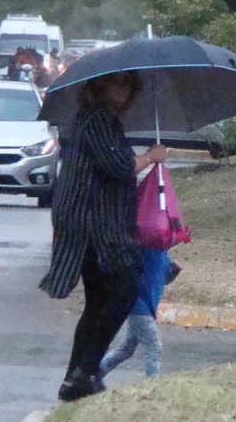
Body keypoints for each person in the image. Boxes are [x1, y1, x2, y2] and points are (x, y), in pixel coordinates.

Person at [38, 71, 168, 403]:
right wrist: (151, 157)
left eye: (127, 85)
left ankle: (75, 378)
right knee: (123, 290)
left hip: (94, 218)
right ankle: (86, 371)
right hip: (90, 221)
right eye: (115, 83)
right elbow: (118, 166)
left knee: (98, 300)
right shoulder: (96, 118)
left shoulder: (103, 120)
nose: (121, 91)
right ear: (99, 86)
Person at [98, 249, 182, 380]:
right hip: (139, 307)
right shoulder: (147, 251)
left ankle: (95, 375)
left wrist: (175, 271)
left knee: (126, 348)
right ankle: (151, 384)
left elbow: (162, 279)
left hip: (145, 308)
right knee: (154, 347)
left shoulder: (164, 255)